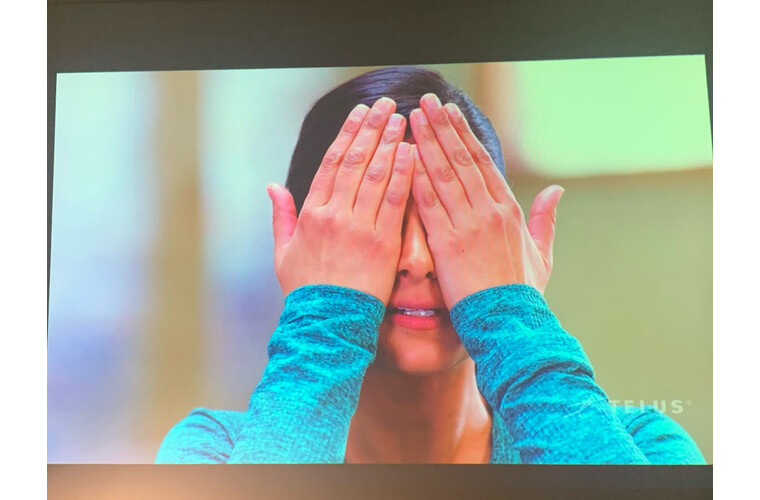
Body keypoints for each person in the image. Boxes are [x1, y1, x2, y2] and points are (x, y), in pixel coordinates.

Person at [156, 66, 705, 464]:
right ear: (296, 245)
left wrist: (511, 314)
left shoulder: (645, 446)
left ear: (518, 245)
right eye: (380, 222)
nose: (418, 260)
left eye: (452, 222)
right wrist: (324, 315)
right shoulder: (212, 453)